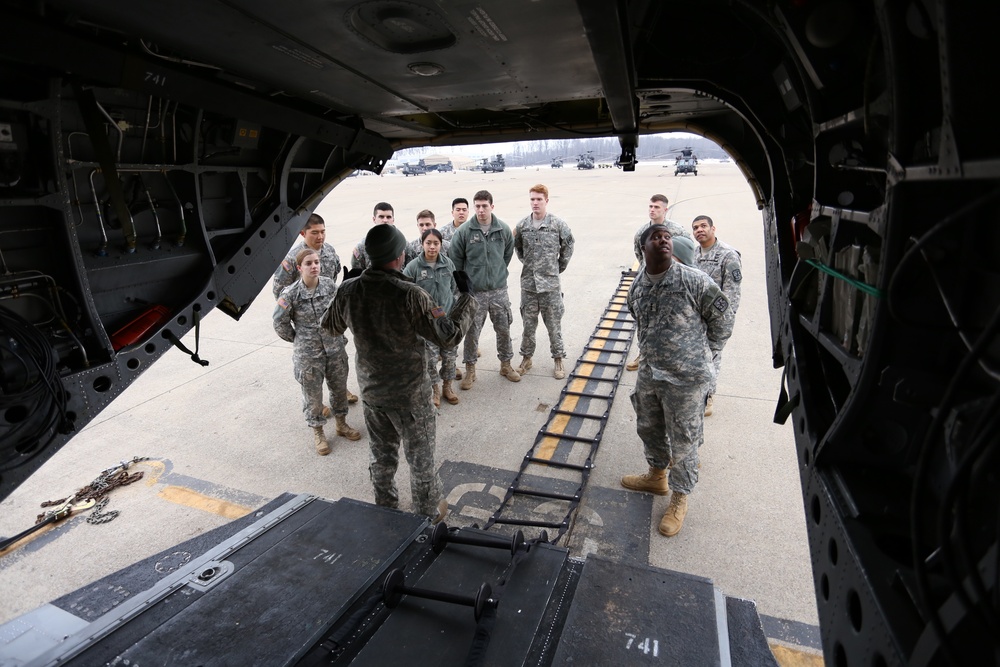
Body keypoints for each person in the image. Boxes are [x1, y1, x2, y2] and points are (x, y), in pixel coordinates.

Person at [322, 224, 478, 522]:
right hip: (411, 397)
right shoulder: (410, 294)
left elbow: (329, 327)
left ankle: (386, 511)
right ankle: (427, 516)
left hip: (373, 394)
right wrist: (466, 298)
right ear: (400, 256)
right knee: (420, 461)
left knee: (382, 458)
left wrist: (344, 289)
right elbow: (448, 337)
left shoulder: (350, 290)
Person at [620, 224, 732, 537]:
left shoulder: (693, 280)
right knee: (649, 427)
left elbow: (722, 320)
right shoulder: (638, 286)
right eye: (656, 237)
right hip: (651, 375)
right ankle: (657, 476)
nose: (664, 240)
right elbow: (638, 318)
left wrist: (702, 355)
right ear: (643, 248)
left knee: (684, 441)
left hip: (686, 379)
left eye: (667, 237)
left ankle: (680, 497)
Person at [273, 248, 361, 456]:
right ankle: (318, 432)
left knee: (339, 388)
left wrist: (339, 331)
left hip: (334, 348)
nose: (314, 266)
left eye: (316, 262)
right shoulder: (290, 294)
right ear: (299, 268)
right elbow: (280, 323)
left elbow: (342, 310)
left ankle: (341, 424)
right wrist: (298, 339)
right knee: (312, 395)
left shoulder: (330, 286)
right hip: (308, 355)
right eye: (309, 263)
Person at [272, 213, 358, 406]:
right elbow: (279, 291)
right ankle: (319, 405)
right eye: (314, 233)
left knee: (336, 363)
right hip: (307, 323)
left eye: (323, 232)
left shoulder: (329, 251)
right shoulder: (292, 258)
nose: (320, 237)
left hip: (329, 321)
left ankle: (340, 390)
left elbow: (334, 276)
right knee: (312, 371)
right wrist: (296, 331)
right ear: (303, 233)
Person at [448, 189, 520, 387]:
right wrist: (466, 286)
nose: (480, 210)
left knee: (504, 329)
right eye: (477, 206)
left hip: (498, 290)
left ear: (492, 207)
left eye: (484, 206)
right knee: (472, 332)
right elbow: (456, 260)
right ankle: (471, 370)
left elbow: (507, 254)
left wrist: (496, 273)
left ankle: (506, 364)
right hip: (475, 293)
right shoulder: (464, 232)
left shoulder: (502, 229)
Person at [513, 184, 575, 379]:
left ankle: (558, 359)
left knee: (554, 325)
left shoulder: (558, 225)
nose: (535, 203)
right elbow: (518, 250)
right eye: (532, 199)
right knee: (528, 326)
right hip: (529, 286)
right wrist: (530, 265)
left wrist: (556, 268)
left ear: (546, 201)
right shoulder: (523, 226)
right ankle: (526, 358)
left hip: (550, 287)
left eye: (539, 199)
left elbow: (568, 246)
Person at [626, 194, 693, 371]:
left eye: (656, 207)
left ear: (665, 209)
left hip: (672, 285)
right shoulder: (642, 232)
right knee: (645, 322)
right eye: (650, 206)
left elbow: (687, 254)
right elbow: (639, 255)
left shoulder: (677, 231)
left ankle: (671, 360)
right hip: (648, 283)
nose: (652, 210)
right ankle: (644, 354)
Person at [692, 215, 742, 416]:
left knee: (712, 357)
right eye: (695, 228)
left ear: (713, 228)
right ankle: (696, 392)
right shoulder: (694, 254)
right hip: (695, 318)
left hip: (716, 319)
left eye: (703, 226)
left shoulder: (728, 255)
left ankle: (709, 395)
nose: (699, 230)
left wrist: (722, 321)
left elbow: (732, 293)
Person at [404, 228, 460, 406]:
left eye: (436, 243)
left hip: (447, 321)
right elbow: (405, 292)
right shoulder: (413, 267)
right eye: (428, 243)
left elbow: (453, 288)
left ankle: (447, 387)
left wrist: (449, 310)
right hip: (426, 324)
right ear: (422, 244)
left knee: (450, 356)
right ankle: (435, 389)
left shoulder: (448, 264)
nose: (432, 247)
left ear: (441, 244)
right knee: (430, 359)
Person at [351, 202, 395, 270]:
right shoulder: (362, 247)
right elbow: (356, 273)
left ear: (393, 220)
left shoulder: (404, 246)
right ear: (374, 219)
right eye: (381, 217)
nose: (385, 220)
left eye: (388, 217)